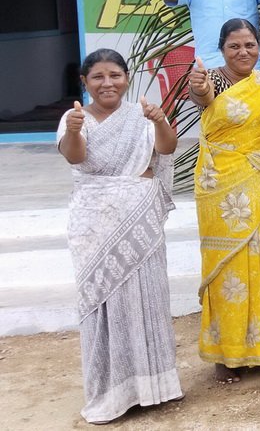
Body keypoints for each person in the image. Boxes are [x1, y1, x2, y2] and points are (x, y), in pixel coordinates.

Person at [59, 49, 182, 423]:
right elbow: (74, 158)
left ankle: (154, 387)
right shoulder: (73, 117)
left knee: (146, 297)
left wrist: (160, 120)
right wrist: (76, 130)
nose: (107, 83)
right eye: (97, 77)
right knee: (103, 304)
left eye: (114, 75)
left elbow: (167, 148)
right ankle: (111, 392)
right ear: (85, 82)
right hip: (94, 222)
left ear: (127, 78)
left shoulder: (141, 115)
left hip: (139, 219)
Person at [188, 18, 260, 383]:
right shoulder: (210, 78)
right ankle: (226, 352)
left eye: (249, 45)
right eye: (234, 46)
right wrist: (197, 87)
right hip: (222, 187)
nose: (243, 52)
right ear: (222, 49)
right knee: (228, 267)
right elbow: (201, 98)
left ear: (259, 46)